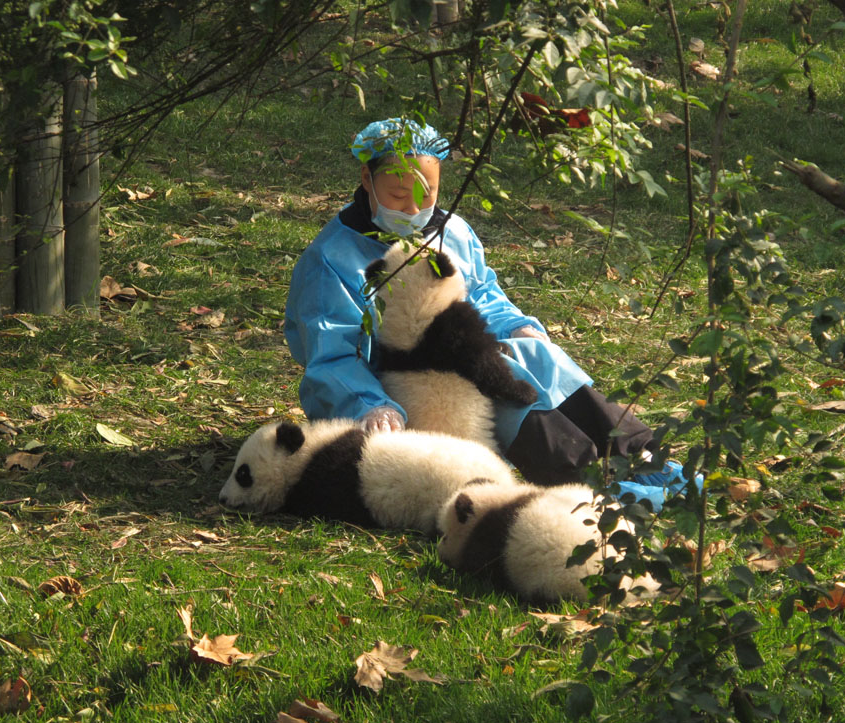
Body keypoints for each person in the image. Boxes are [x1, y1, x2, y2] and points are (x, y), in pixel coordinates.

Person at [284, 117, 700, 506]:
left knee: (535, 356)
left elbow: (483, 295)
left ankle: (645, 457)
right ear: (366, 180)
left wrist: (516, 327)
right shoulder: (331, 260)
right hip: (393, 386)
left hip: (455, 355)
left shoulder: (452, 231)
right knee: (494, 390)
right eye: (396, 196)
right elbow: (331, 355)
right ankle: (592, 480)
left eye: (426, 194)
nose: (413, 210)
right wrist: (369, 404)